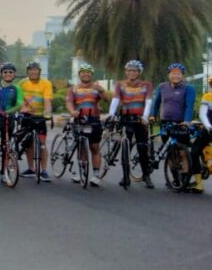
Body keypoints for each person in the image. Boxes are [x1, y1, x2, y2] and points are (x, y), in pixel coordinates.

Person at [108, 60, 154, 188]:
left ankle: (146, 176)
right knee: (125, 147)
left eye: (134, 70)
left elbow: (149, 101)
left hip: (140, 119)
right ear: (126, 72)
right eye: (129, 70)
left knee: (142, 148)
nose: (132, 73)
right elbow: (115, 100)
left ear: (139, 72)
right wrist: (111, 115)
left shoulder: (147, 85)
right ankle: (125, 176)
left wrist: (145, 117)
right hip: (125, 118)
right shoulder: (120, 84)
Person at [151, 63, 195, 189]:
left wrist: (187, 121)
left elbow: (189, 106)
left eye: (178, 73)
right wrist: (153, 115)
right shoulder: (162, 87)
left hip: (181, 123)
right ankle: (174, 178)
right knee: (169, 151)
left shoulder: (188, 88)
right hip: (165, 123)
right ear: (169, 75)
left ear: (182, 75)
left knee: (183, 153)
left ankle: (185, 179)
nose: (175, 76)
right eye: (173, 73)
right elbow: (157, 102)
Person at [66, 64, 108, 186]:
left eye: (88, 72)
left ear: (91, 74)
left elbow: (106, 99)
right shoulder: (73, 88)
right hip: (79, 120)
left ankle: (96, 175)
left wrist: (101, 90)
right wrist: (72, 111)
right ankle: (80, 172)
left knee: (94, 147)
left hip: (93, 120)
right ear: (79, 74)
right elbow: (68, 102)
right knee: (81, 148)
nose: (86, 74)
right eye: (83, 72)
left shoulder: (96, 87)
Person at [0, 62, 24, 184]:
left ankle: (3, 172)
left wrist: (8, 112)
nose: (8, 74)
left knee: (6, 146)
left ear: (14, 74)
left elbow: (19, 104)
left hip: (8, 119)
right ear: (1, 74)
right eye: (5, 72)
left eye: (10, 72)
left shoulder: (17, 88)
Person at [18, 61, 53, 182]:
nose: (33, 72)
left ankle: (43, 171)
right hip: (26, 116)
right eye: (31, 70)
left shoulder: (46, 83)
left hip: (40, 117)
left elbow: (47, 100)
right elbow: (19, 98)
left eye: (35, 70)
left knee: (42, 144)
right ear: (27, 71)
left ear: (39, 71)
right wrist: (22, 108)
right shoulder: (22, 83)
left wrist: (47, 113)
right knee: (28, 144)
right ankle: (31, 169)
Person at [192, 76, 212, 194]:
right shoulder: (208, 96)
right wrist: (208, 126)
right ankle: (199, 183)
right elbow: (203, 114)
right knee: (194, 152)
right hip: (209, 129)